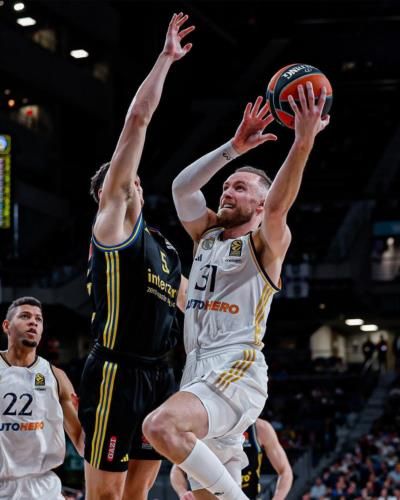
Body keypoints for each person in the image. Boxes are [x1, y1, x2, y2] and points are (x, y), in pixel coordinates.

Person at [143, 82, 329, 499]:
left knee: (160, 426)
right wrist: (233, 149)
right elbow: (182, 189)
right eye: (226, 186)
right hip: (197, 369)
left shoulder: (266, 244)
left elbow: (280, 205)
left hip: (235, 368)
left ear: (260, 205)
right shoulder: (207, 236)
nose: (227, 191)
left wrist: (301, 143)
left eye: (240, 188)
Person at [78, 12, 193, 500]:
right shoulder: (112, 224)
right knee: (105, 496)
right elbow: (137, 121)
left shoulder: (165, 248)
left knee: (139, 494)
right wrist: (166, 60)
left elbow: (196, 310)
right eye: (121, 181)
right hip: (115, 372)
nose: (130, 184)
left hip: (160, 372)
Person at [0, 296, 84, 499]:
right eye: (25, 316)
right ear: (7, 326)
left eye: (38, 319)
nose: (33, 322)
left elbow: (83, 446)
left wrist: (95, 416)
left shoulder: (56, 377)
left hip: (43, 488)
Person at [170, 418, 293, 499]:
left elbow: (285, 471)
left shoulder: (261, 429)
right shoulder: (207, 427)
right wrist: (183, 492)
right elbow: (177, 470)